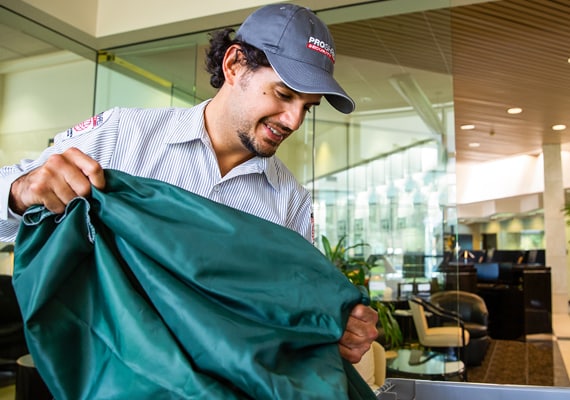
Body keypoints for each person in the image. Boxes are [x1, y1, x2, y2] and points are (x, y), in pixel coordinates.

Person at [0, 3, 377, 363]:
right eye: (283, 94)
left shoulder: (291, 202)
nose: (294, 120)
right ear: (234, 65)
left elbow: (294, 310)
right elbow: (15, 202)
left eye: (307, 107)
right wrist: (19, 192)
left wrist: (340, 327)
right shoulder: (123, 134)